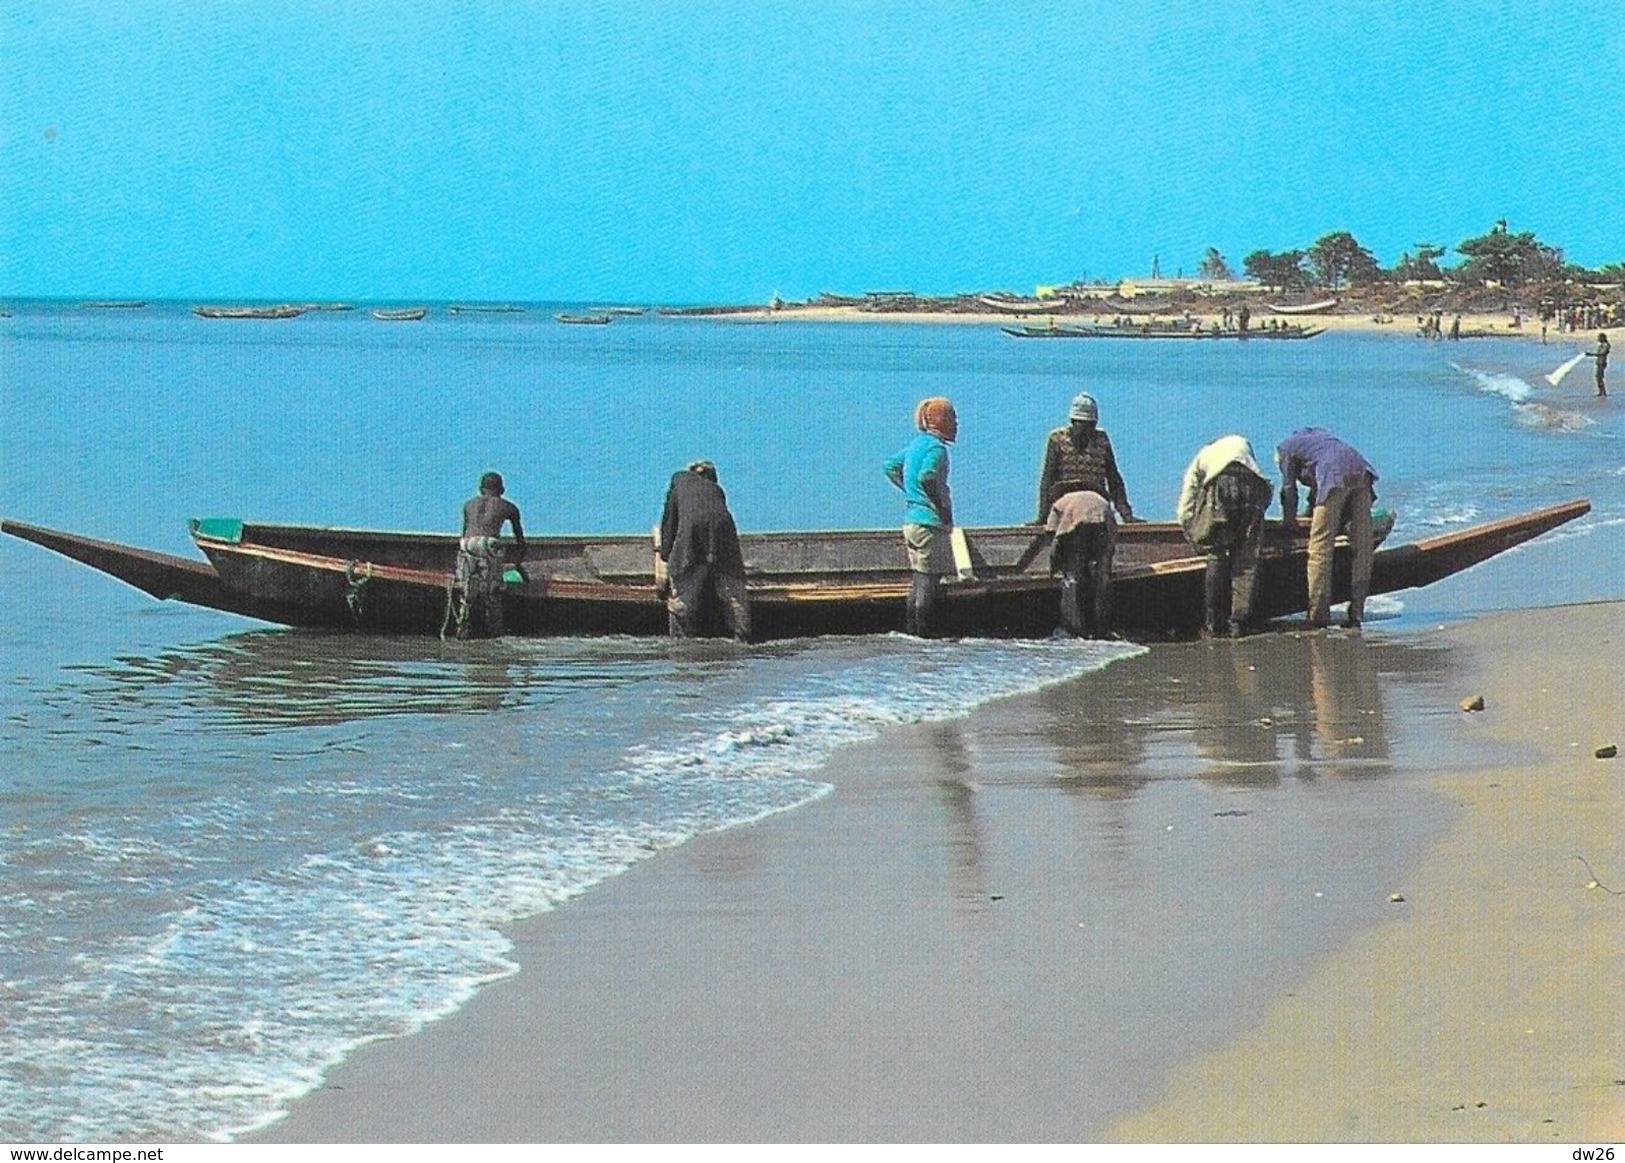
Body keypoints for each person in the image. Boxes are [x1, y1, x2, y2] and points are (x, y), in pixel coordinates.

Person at [1275, 428, 1379, 630]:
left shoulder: (1285, 449)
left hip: (1335, 473)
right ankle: (1356, 614)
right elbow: (1316, 496)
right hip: (1361, 470)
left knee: (1319, 550)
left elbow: (1288, 489)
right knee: (1363, 547)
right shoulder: (1315, 440)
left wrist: (1289, 521)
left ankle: (1318, 616)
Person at [1177, 435, 1274, 637]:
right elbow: (1265, 488)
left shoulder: (1202, 456)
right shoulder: (1243, 443)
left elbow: (1188, 497)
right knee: (1246, 559)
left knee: (1217, 554)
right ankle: (1238, 623)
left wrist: (1190, 527)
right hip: (1254, 486)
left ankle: (1212, 623)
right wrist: (1257, 516)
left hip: (1221, 484)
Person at [883, 396, 957, 637]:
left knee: (917, 580)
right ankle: (924, 635)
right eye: (952, 418)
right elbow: (927, 476)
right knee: (928, 581)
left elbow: (890, 466)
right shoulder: (936, 447)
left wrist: (910, 491)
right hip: (928, 523)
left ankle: (912, 633)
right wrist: (940, 507)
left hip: (911, 521)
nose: (956, 424)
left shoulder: (916, 445)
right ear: (940, 420)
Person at [656, 460, 751, 641]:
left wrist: (667, 555)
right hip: (723, 534)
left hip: (691, 539)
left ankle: (680, 640)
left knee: (683, 596)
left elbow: (669, 522)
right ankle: (742, 636)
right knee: (733, 591)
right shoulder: (716, 490)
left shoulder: (679, 482)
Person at [1035, 392, 1137, 523]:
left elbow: (1113, 479)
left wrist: (1126, 514)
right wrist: (1042, 516)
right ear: (1073, 422)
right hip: (1064, 496)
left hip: (1096, 496)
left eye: (1089, 425)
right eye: (1081, 424)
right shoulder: (1057, 439)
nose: (1085, 430)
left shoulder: (1101, 439)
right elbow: (1048, 479)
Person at [455, 471, 525, 638]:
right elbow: (520, 539)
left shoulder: (467, 504)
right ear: (502, 489)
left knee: (466, 590)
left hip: (466, 543)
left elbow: (464, 531)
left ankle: (462, 629)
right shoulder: (509, 507)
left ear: (480, 489)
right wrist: (518, 563)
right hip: (489, 543)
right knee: (492, 592)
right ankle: (494, 632)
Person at [1044, 488, 1115, 638]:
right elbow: (1112, 533)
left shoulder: (1059, 504)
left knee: (1072, 578)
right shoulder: (1099, 499)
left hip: (1079, 528)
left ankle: (1075, 630)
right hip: (1103, 520)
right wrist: (1106, 560)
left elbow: (1054, 538)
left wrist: (1053, 566)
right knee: (1101, 579)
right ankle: (1101, 629)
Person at [1589, 332, 1610, 397]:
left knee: (1600, 377)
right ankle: (1601, 392)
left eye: (1599, 338)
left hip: (1602, 363)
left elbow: (1602, 353)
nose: (1598, 339)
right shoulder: (1603, 345)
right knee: (1598, 377)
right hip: (1599, 362)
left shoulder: (1606, 345)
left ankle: (1603, 392)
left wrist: (1591, 354)